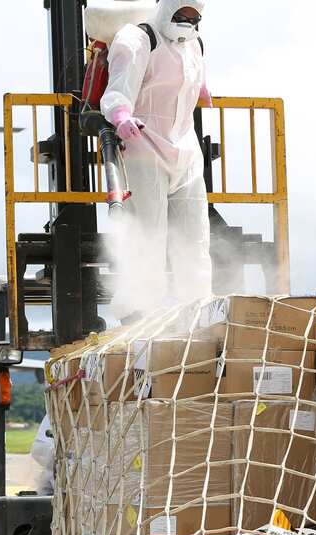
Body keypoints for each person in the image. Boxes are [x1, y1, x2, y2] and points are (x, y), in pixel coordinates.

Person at [102, 0, 213, 314]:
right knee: (148, 233)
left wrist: (201, 88)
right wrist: (121, 115)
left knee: (195, 237)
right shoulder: (137, 40)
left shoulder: (194, 45)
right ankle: (139, 309)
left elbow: (190, 77)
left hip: (186, 149)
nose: (188, 23)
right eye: (182, 15)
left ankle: (198, 308)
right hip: (144, 145)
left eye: (195, 18)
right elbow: (117, 90)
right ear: (167, 9)